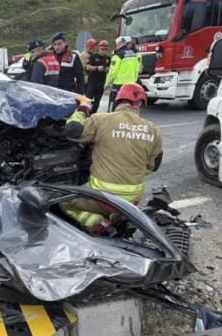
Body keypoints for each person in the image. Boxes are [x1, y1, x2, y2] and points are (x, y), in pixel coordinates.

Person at [60, 84, 164, 236]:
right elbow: (153, 166)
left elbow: (72, 130)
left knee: (64, 202)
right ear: (140, 104)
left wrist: (83, 108)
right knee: (117, 202)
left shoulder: (102, 120)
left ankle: (99, 225)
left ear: (117, 102)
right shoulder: (154, 130)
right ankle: (120, 216)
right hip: (133, 199)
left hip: (104, 197)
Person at [105, 36, 142, 112]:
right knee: (129, 106)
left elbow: (112, 72)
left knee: (112, 105)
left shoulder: (117, 55)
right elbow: (137, 69)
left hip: (119, 85)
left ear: (118, 44)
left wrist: (107, 83)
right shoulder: (133, 54)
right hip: (131, 84)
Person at [85, 40, 111, 113]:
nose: (104, 52)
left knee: (97, 102)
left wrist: (106, 69)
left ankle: (93, 115)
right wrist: (96, 68)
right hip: (92, 82)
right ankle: (85, 114)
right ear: (98, 49)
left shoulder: (108, 58)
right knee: (88, 100)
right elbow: (87, 67)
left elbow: (111, 68)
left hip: (101, 83)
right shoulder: (93, 56)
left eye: (105, 50)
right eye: (102, 50)